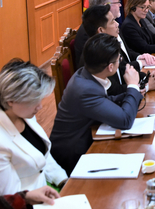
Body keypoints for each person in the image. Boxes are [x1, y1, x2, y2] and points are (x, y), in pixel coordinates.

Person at [0, 60, 68, 199]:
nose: (40, 106)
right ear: (11, 100)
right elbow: (9, 199)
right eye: (34, 100)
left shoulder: (21, 113)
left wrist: (62, 180)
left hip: (44, 191)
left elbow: (42, 156)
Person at [50, 33, 143, 175]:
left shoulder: (85, 73)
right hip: (73, 157)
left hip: (88, 139)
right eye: (120, 59)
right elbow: (125, 121)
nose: (121, 62)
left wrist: (136, 91)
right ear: (111, 67)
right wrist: (132, 86)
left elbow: (104, 103)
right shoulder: (86, 90)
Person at [82, 5, 155, 95]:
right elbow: (114, 91)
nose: (117, 24)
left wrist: (147, 76)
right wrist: (147, 86)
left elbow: (122, 69)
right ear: (101, 30)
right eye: (112, 22)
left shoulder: (107, 46)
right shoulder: (97, 55)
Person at [73, 0, 155, 71]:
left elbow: (125, 52)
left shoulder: (112, 24)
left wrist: (140, 57)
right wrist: (140, 64)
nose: (120, 5)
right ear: (106, 6)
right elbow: (114, 68)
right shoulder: (92, 32)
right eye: (117, 2)